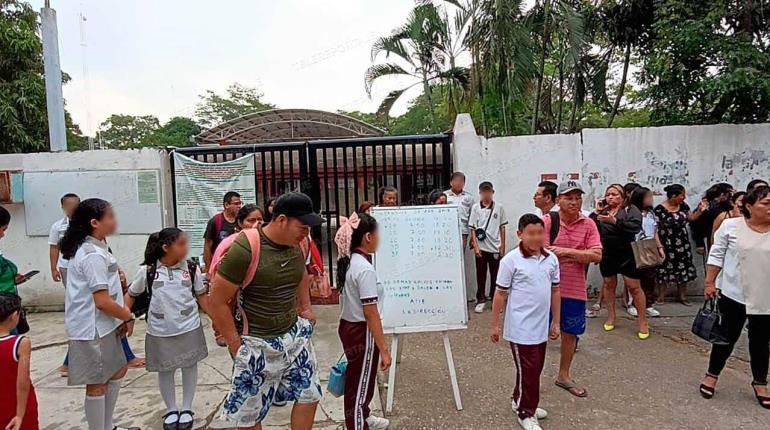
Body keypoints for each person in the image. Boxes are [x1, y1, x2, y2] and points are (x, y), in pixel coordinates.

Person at [209, 192, 323, 430]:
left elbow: (301, 273)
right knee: (249, 414)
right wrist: (234, 344)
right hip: (256, 342)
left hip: (294, 336)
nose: (306, 233)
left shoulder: (299, 242)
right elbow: (217, 300)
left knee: (310, 394)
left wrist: (306, 308)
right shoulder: (246, 248)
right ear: (281, 220)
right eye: (302, 227)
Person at [59, 198, 139, 430]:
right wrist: (127, 315)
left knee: (117, 370)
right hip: (91, 328)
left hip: (105, 324)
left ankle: (107, 425)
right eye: (110, 216)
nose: (115, 221)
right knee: (97, 383)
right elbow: (101, 301)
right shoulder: (92, 254)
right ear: (95, 222)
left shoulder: (99, 247)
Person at [125, 228, 209, 430]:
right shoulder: (148, 271)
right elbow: (131, 295)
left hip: (189, 326)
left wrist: (217, 320)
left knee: (189, 366)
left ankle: (187, 407)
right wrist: (125, 318)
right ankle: (171, 409)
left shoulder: (191, 269)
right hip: (160, 329)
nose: (186, 248)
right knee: (166, 369)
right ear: (166, 247)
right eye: (181, 244)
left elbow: (201, 297)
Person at [701, 185, 770, 409]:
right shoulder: (731, 226)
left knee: (761, 342)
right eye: (766, 203)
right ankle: (711, 375)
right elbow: (717, 253)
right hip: (733, 293)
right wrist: (710, 282)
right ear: (749, 206)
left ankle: (760, 382)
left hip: (765, 297)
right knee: (725, 339)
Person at [491, 214, 560, 430]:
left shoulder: (551, 259)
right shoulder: (510, 260)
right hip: (520, 327)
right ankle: (526, 412)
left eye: (540, 233)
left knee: (535, 369)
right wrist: (494, 324)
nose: (536, 238)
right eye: (531, 233)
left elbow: (555, 291)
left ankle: (519, 400)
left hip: (540, 326)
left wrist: (555, 321)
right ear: (520, 234)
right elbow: (500, 294)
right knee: (529, 370)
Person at [543, 181, 602, 398]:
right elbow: (543, 251)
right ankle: (532, 377)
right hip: (546, 289)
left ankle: (563, 375)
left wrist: (564, 252)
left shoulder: (589, 224)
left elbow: (596, 255)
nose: (574, 202)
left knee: (571, 333)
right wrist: (579, 253)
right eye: (569, 197)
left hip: (575, 288)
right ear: (558, 200)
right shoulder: (548, 221)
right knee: (538, 333)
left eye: (578, 197)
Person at [334, 212, 392, 430]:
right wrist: (384, 349)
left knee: (360, 379)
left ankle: (364, 417)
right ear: (368, 237)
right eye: (377, 234)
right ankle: (358, 423)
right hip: (361, 331)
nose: (379, 238)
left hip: (349, 327)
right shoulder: (364, 269)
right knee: (358, 386)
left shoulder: (350, 263)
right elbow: (370, 312)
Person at [593, 184, 649, 338]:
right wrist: (596, 212)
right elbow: (592, 227)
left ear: (623, 196)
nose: (610, 197)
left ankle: (642, 321)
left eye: (614, 194)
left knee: (634, 287)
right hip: (608, 252)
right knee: (609, 285)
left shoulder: (631, 210)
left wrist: (615, 222)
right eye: (608, 194)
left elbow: (635, 227)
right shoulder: (604, 210)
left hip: (626, 252)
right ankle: (611, 316)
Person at [210, 204, 264, 347]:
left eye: (260, 219)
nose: (256, 224)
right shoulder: (232, 244)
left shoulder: (264, 242)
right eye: (251, 220)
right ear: (240, 223)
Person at [48, 193, 80, 377]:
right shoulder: (58, 226)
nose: (72, 208)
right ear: (63, 207)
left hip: (84, 267)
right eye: (68, 205)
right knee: (77, 305)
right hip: (67, 268)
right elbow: (54, 247)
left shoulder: (87, 223)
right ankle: (70, 361)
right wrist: (53, 268)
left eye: (75, 204)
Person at [655, 184, 702, 305]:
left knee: (684, 269)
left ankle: (682, 296)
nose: (684, 198)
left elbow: (691, 218)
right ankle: (661, 296)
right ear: (673, 196)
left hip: (682, 244)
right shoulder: (659, 210)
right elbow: (655, 229)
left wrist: (701, 210)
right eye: (682, 195)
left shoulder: (683, 206)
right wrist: (659, 245)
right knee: (664, 270)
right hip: (666, 244)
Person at [0, 292, 38, 430]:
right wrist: (20, 415)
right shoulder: (21, 343)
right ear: (14, 316)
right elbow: (23, 382)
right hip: (18, 406)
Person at [469, 181, 508, 313]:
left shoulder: (499, 207)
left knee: (496, 275)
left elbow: (502, 227)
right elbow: (473, 229)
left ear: (492, 192)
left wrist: (502, 245)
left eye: (488, 191)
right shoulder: (475, 208)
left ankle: (494, 300)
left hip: (495, 247)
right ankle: (480, 300)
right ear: (480, 193)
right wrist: (475, 246)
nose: (486, 194)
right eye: (483, 192)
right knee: (480, 274)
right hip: (481, 247)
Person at [626, 187, 663, 318]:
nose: (650, 200)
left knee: (650, 277)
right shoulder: (631, 212)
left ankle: (648, 304)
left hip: (649, 246)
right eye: (648, 197)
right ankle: (632, 304)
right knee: (635, 278)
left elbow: (655, 232)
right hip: (635, 246)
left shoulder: (652, 214)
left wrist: (659, 247)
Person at [203, 191, 242, 269]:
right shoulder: (215, 221)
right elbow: (207, 247)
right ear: (226, 205)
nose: (239, 206)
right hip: (219, 266)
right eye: (236, 204)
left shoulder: (241, 221)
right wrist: (209, 269)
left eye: (240, 203)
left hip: (238, 266)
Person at [444, 172, 475, 241]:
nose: (458, 183)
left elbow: (473, 216)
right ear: (451, 182)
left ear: (464, 183)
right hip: (447, 230)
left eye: (461, 181)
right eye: (456, 181)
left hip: (463, 230)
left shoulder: (469, 197)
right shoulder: (444, 196)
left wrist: (473, 235)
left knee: (462, 251)